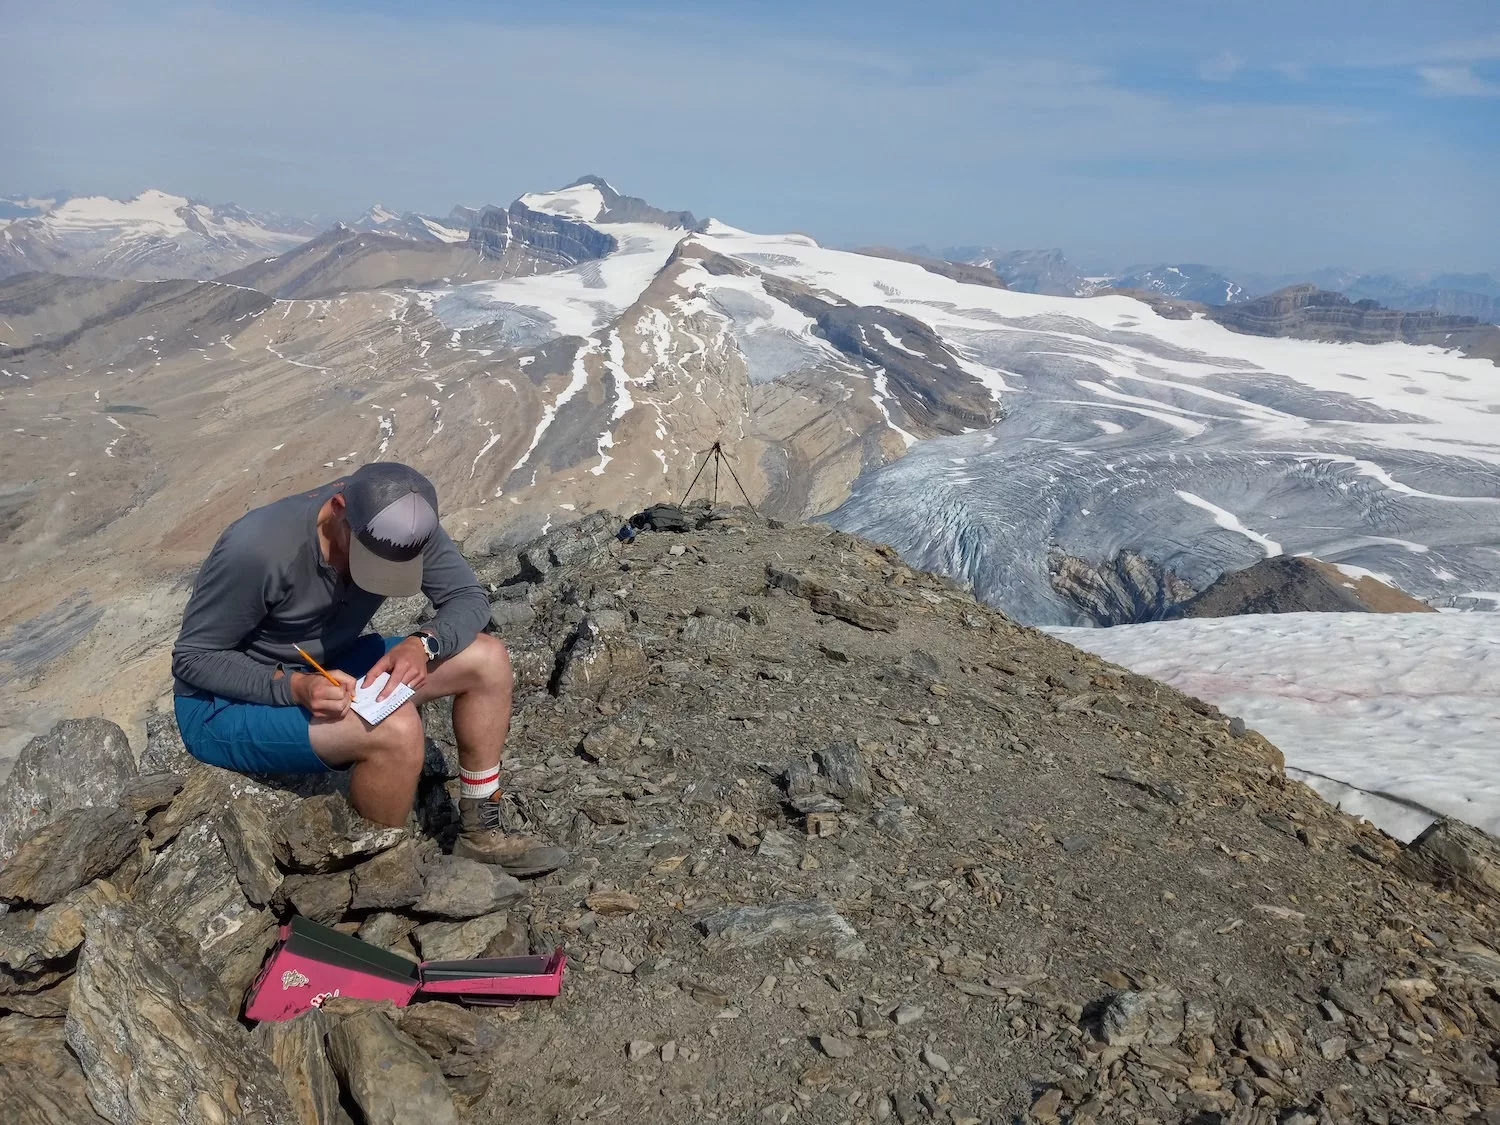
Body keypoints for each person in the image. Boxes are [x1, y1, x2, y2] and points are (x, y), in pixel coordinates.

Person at [171, 462, 565, 876]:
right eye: (367, 558)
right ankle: (379, 875)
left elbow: (468, 598)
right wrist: (296, 687)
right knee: (396, 730)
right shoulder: (258, 548)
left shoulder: (406, 521)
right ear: (339, 507)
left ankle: (480, 835)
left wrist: (423, 644)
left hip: (331, 666)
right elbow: (194, 658)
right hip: (223, 704)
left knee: (488, 660)